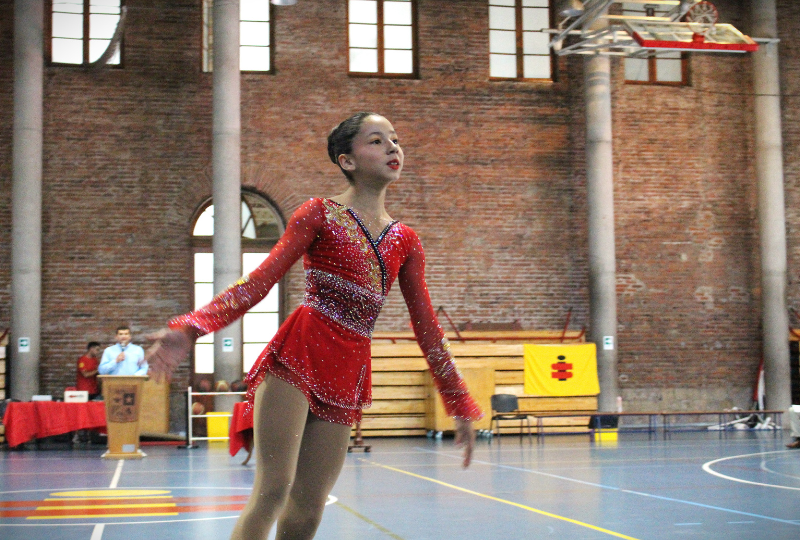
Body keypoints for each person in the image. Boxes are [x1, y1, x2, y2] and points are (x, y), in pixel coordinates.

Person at [145, 112, 483, 540]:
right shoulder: (319, 213)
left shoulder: (406, 240)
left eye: (395, 140)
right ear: (347, 161)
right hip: (299, 355)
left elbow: (428, 329)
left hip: (346, 369)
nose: (392, 148)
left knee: (308, 510)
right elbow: (259, 280)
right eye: (376, 141)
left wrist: (458, 401)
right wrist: (191, 327)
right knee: (272, 490)